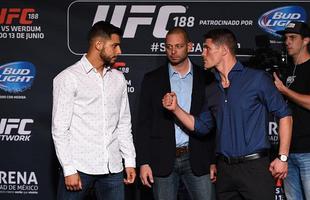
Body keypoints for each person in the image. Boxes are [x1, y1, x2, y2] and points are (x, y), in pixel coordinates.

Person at [162, 28, 293, 200]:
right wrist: (176, 109)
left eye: (207, 48)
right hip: (225, 171)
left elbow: (285, 115)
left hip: (255, 168)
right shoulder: (211, 90)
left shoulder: (257, 79)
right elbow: (201, 126)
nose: (202, 53)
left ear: (224, 50)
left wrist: (282, 157)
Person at [52, 21, 136, 200]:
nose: (119, 51)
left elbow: (123, 123)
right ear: (98, 45)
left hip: (112, 168)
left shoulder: (118, 79)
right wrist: (68, 169)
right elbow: (60, 129)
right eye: (114, 46)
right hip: (80, 168)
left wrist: (129, 161)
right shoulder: (68, 78)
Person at [135, 27, 216, 200]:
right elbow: (143, 124)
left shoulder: (206, 78)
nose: (173, 51)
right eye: (168, 46)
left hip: (197, 157)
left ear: (190, 46)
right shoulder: (152, 79)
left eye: (178, 46)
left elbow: (212, 124)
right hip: (162, 159)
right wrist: (143, 162)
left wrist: (212, 161)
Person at [274, 21, 310, 200]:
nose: (287, 42)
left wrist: (284, 90)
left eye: (293, 38)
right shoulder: (286, 70)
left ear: (306, 41)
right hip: (288, 152)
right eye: (286, 38)